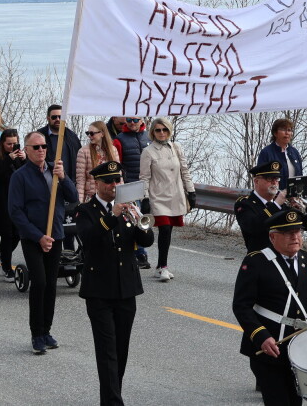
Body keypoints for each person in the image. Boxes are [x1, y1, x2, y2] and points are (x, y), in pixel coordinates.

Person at [232, 208, 307, 406]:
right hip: (270, 348)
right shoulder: (256, 262)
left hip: (302, 350)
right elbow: (241, 306)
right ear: (273, 237)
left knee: (295, 402)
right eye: (287, 233)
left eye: (297, 232)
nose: (295, 237)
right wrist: (261, 336)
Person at [75, 161, 155, 405]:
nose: (113, 185)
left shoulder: (129, 209)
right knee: (107, 351)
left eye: (117, 180)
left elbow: (148, 239)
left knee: (121, 350)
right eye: (108, 181)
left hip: (126, 288)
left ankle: (111, 396)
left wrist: (139, 217)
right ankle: (113, 402)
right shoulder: (86, 210)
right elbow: (87, 238)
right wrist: (112, 216)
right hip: (99, 290)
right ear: (96, 183)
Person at [9, 131, 78, 353]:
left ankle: (46, 330)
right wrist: (38, 237)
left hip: (55, 234)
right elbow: (15, 211)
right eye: (36, 147)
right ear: (26, 150)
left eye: (43, 147)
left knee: (50, 285)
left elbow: (73, 197)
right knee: (38, 282)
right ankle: (36, 334)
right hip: (33, 237)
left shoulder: (54, 170)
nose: (41, 150)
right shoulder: (20, 176)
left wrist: (64, 177)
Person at [138, 117, 195, 282]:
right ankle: (163, 267)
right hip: (158, 197)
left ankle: (160, 266)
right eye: (158, 130)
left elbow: (184, 170)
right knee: (164, 229)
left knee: (169, 231)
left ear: (169, 131)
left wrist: (191, 191)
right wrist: (146, 198)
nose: (161, 133)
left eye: (164, 129)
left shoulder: (176, 148)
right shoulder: (148, 152)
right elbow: (144, 177)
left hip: (176, 196)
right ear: (153, 132)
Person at [236, 161, 307, 254]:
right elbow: (252, 228)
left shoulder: (284, 204)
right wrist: (276, 205)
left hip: (285, 257)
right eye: (269, 179)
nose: (274, 183)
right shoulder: (245, 203)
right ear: (256, 181)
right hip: (260, 256)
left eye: (277, 179)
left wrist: (304, 210)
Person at [0, 129, 25, 282]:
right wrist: (8, 159)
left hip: (19, 201)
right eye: (9, 144)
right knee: (7, 235)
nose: (12, 146)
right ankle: (7, 267)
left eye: (14, 143)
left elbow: (27, 173)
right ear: (2, 143)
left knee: (18, 234)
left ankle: (4, 256)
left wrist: (25, 159)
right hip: (2, 201)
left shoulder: (20, 157)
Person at [113, 116, 152, 269]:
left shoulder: (149, 137)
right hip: (130, 186)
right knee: (136, 219)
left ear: (142, 121)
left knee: (147, 220)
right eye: (129, 119)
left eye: (136, 120)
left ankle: (143, 251)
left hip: (149, 187)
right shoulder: (119, 140)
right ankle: (140, 254)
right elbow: (117, 165)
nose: (132, 123)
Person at [75, 120, 120, 203]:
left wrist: (122, 198)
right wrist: (80, 202)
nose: (89, 136)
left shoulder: (113, 150)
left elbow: (119, 176)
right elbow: (80, 180)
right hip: (92, 197)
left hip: (111, 197)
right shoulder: (83, 151)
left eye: (92, 133)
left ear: (102, 134)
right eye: (87, 133)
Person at [37, 104, 81, 185]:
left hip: (69, 184)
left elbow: (79, 161)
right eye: (54, 117)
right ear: (48, 118)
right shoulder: (39, 135)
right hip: (46, 183)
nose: (57, 119)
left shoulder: (72, 137)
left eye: (60, 117)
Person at [257, 118, 303, 184]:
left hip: (294, 193)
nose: (287, 133)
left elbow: (300, 176)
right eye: (283, 130)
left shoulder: (294, 152)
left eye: (289, 130)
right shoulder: (266, 153)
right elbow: (261, 178)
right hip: (274, 193)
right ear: (275, 133)